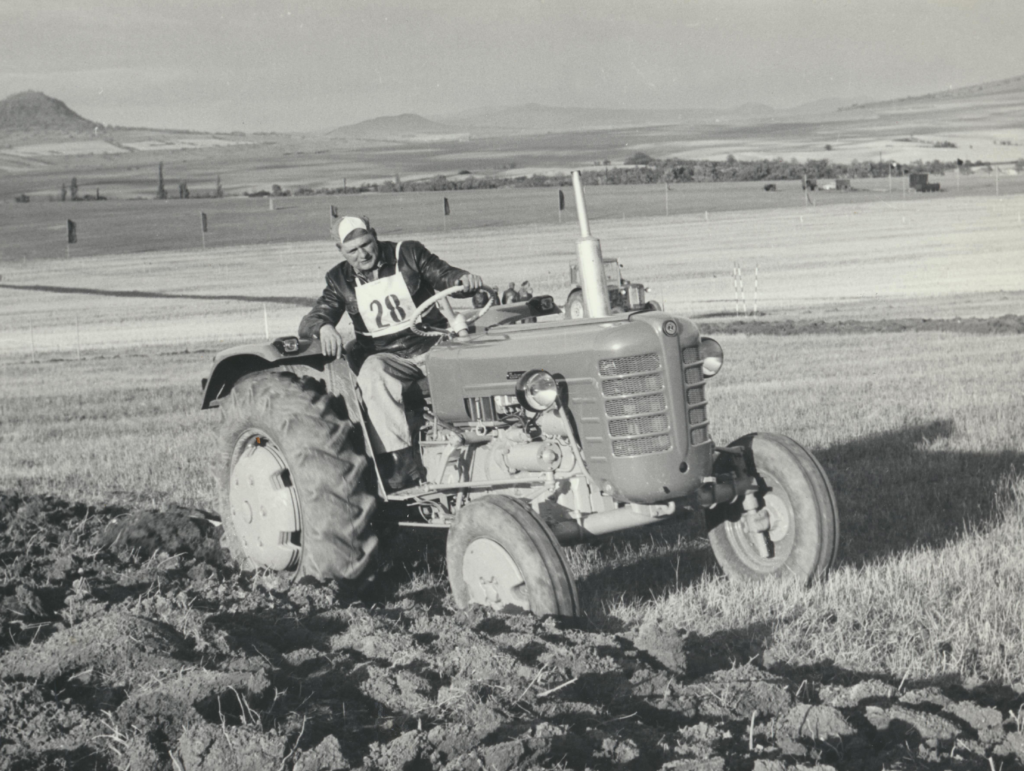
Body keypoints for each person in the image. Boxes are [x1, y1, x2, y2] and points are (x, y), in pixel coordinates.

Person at [299, 216, 484, 491]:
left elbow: (444, 275)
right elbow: (312, 319)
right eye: (353, 250)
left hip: (434, 345)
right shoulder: (338, 279)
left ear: (375, 236)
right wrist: (323, 327)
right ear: (340, 250)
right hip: (390, 358)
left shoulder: (407, 253)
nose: (363, 254)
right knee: (373, 373)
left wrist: (462, 279)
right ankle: (400, 467)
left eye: (366, 244)